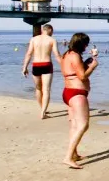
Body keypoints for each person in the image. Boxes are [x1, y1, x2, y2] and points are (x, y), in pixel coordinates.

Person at [60, 32, 98, 169]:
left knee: (75, 125)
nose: (86, 46)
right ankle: (68, 157)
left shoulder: (67, 54)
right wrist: (93, 66)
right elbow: (82, 76)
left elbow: (77, 70)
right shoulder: (75, 56)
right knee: (83, 125)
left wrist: (90, 59)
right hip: (77, 94)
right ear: (81, 43)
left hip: (69, 92)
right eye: (85, 43)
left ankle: (74, 154)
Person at [21, 24, 62, 118]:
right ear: (50, 30)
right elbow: (57, 55)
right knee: (46, 89)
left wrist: (24, 67)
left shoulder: (33, 39)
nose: (53, 33)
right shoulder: (52, 40)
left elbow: (29, 54)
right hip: (47, 64)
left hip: (36, 65)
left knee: (38, 88)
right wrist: (64, 66)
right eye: (52, 31)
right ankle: (43, 112)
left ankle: (42, 108)